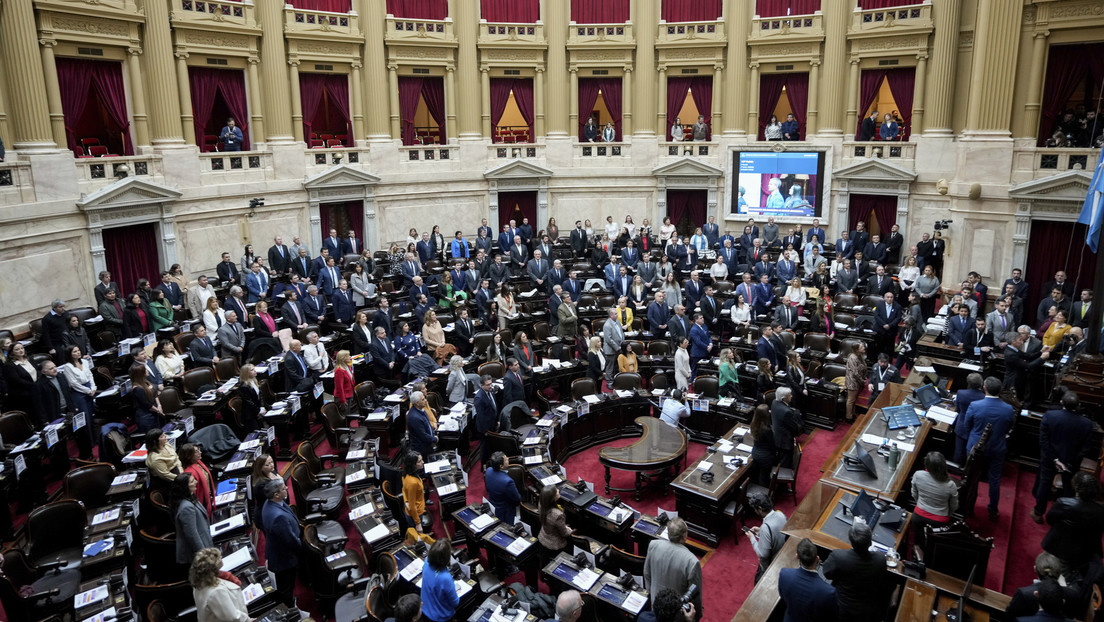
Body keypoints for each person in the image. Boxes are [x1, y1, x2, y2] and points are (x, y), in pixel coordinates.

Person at [1032, 393, 1093, 522]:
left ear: (1061, 402)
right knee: (1069, 488)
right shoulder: (1086, 423)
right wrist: (1070, 462)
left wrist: (1055, 459)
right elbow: (1085, 448)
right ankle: (1065, 517)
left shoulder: (1050, 416)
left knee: (1045, 484)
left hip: (1049, 459)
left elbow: (1044, 441)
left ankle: (1038, 513)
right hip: (1071, 462)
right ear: (1078, 405)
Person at [963, 376, 1015, 520]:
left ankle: (968, 508)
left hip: (975, 446)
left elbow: (967, 425)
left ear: (984, 388)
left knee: (972, 477)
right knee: (995, 480)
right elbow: (1009, 427)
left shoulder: (975, 405)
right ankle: (993, 510)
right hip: (997, 447)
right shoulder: (1008, 409)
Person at [822, 521, 893, 620]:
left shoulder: (838, 557)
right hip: (869, 612)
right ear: (870, 542)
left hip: (844, 609)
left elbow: (827, 574)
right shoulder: (880, 559)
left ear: (850, 541)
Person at [1042, 472, 1104, 572]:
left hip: (1060, 548)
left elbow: (1050, 520)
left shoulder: (1063, 503)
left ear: (1076, 487)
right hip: (1085, 551)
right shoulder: (1101, 509)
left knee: (1051, 571)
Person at [643, 518, 703, 618]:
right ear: (684, 536)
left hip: (656, 605)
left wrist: (651, 595)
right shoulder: (692, 561)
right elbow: (695, 593)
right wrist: (697, 616)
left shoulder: (653, 545)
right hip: (676, 613)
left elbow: (647, 574)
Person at [260, 478, 300, 607]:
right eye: (284, 488)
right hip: (284, 559)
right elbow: (290, 540)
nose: (287, 489)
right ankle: (289, 610)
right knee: (286, 587)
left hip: (278, 551)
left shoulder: (270, 503)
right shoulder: (278, 517)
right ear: (276, 494)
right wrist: (301, 546)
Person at [910, 451, 958, 556]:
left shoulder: (918, 475)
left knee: (918, 542)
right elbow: (954, 505)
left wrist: (921, 504)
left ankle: (918, 557)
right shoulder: (950, 485)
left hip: (918, 516)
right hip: (939, 521)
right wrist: (947, 514)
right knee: (934, 545)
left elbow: (914, 494)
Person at [777, 537, 836, 622]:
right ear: (818, 559)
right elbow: (829, 616)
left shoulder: (784, 574)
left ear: (797, 556)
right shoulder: (828, 591)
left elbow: (783, 597)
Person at [190, 548, 251, 622]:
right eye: (218, 557)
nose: (221, 557)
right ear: (212, 567)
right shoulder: (216, 591)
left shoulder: (200, 582)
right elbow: (233, 618)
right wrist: (248, 620)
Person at [173, 473, 214, 566]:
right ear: (184, 487)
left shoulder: (191, 497)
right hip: (195, 555)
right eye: (192, 481)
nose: (196, 482)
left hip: (205, 541)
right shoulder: (186, 507)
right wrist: (205, 555)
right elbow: (192, 535)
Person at [746, 491, 787, 582]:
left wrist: (752, 538)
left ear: (760, 509)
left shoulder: (766, 527)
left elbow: (763, 554)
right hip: (781, 556)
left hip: (769, 567)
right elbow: (777, 532)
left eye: (755, 509)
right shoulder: (780, 514)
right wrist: (761, 532)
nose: (755, 512)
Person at [420, 539, 459, 622]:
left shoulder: (426, 562)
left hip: (424, 611)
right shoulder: (445, 578)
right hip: (440, 618)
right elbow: (455, 603)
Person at [485, 451, 521, 525]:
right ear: (501, 466)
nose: (508, 459)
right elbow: (517, 499)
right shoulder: (508, 482)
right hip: (505, 512)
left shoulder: (488, 471)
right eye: (506, 459)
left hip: (492, 505)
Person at [537, 484, 573, 559]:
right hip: (555, 545)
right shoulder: (557, 515)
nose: (558, 490)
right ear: (552, 498)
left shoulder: (541, 503)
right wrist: (569, 530)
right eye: (556, 491)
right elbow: (564, 533)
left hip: (543, 537)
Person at [771, 387, 802, 468]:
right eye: (789, 395)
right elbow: (794, 427)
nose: (791, 396)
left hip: (776, 435)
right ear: (784, 398)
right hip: (785, 440)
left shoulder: (774, 402)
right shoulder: (786, 412)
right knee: (785, 463)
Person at [401, 451, 430, 534]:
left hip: (413, 510)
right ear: (413, 465)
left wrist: (406, 501)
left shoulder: (406, 473)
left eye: (422, 460)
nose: (423, 462)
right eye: (419, 461)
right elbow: (412, 506)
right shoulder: (412, 482)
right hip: (415, 513)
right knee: (416, 537)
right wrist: (418, 524)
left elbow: (403, 489)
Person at [130, 363, 163, 432]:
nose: (147, 370)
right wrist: (158, 410)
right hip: (147, 418)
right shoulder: (137, 388)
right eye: (145, 370)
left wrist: (159, 405)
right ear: (141, 373)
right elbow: (147, 405)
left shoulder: (146, 382)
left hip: (154, 412)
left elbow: (155, 394)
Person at [250, 454, 280, 525]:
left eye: (272, 462)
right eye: (267, 465)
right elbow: (274, 498)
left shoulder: (272, 471)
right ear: (261, 468)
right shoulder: (261, 485)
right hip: (266, 515)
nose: (272, 465)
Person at [844, 341, 867, 423]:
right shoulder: (852, 358)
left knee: (854, 399)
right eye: (861, 347)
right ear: (857, 350)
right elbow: (855, 373)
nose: (864, 348)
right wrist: (862, 380)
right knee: (851, 400)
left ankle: (852, 413)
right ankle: (848, 417)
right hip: (852, 382)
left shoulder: (859, 356)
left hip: (858, 381)